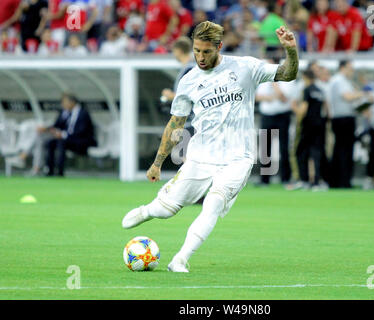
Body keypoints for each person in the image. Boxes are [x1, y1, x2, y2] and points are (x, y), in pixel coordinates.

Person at [122, 21, 299, 272]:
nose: (200, 57)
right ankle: (148, 210)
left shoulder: (245, 67)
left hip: (239, 157)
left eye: (206, 51)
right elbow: (175, 125)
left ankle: (180, 259)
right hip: (201, 156)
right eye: (196, 50)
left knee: (214, 203)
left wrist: (291, 50)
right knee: (166, 210)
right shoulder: (189, 81)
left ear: (219, 47)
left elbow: (288, 74)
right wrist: (157, 163)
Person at [328, 60, 372, 188]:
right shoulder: (339, 80)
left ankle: (339, 180)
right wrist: (364, 94)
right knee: (344, 150)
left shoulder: (344, 81)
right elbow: (347, 97)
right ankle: (342, 181)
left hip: (345, 118)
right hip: (342, 119)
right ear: (343, 67)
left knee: (342, 150)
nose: (352, 71)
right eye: (350, 68)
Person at [255, 58, 296, 186]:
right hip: (267, 115)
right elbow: (257, 97)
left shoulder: (287, 79)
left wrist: (274, 82)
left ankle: (285, 178)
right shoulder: (262, 79)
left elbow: (283, 97)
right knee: (265, 148)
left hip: (282, 115)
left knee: (284, 147)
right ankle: (265, 180)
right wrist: (271, 97)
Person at [40, 92, 97, 176]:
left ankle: (60, 171)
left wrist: (63, 135)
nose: (63, 104)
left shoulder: (83, 113)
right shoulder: (65, 113)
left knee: (61, 142)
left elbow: (82, 131)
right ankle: (49, 170)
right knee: (50, 143)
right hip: (68, 140)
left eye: (64, 102)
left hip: (81, 141)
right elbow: (57, 125)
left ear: (72, 102)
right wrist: (48, 129)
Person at [290, 69, 327, 190]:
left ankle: (304, 180)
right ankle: (316, 181)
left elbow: (303, 111)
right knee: (317, 154)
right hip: (320, 125)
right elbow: (327, 110)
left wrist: (294, 107)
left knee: (301, 153)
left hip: (307, 126)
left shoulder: (306, 90)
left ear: (305, 77)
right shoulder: (320, 91)